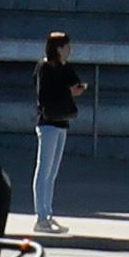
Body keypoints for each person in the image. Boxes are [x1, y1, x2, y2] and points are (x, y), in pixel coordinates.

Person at [28, 26, 87, 236]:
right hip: (47, 122)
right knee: (43, 169)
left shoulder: (64, 67)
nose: (69, 50)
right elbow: (43, 95)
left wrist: (77, 89)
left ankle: (48, 214)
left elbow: (74, 83)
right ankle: (40, 217)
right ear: (58, 48)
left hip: (62, 122)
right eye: (66, 46)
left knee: (52, 173)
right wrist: (67, 91)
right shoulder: (44, 67)